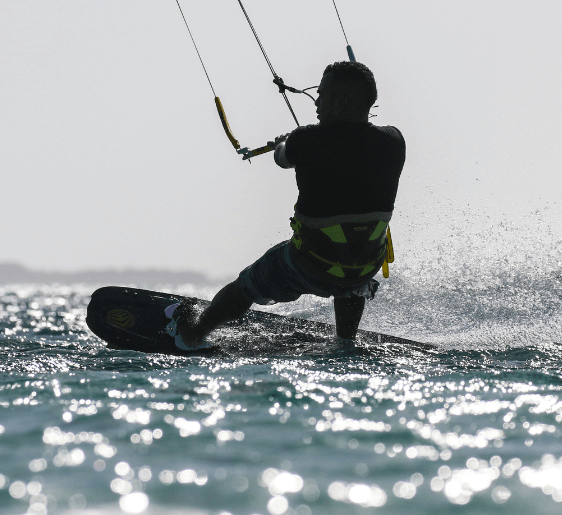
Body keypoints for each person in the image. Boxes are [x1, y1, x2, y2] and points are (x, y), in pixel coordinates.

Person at [170, 60, 405, 349]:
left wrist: (285, 142)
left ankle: (193, 335)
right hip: (364, 265)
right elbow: (352, 148)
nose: (316, 102)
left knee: (245, 286)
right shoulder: (394, 141)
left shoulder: (306, 140)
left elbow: (282, 158)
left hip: (309, 264)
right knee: (352, 259)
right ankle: (345, 341)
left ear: (342, 100)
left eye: (323, 95)